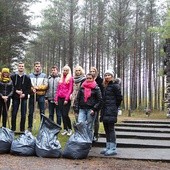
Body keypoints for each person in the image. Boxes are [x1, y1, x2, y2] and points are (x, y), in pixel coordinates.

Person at [100, 70, 122, 156]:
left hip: (111, 109)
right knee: (106, 128)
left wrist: (115, 107)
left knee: (111, 129)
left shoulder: (115, 86)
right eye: (106, 75)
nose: (107, 76)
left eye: (109, 75)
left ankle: (113, 148)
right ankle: (108, 146)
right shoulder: (105, 86)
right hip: (105, 110)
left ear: (112, 76)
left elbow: (119, 98)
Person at [74, 73, 102, 140]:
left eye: (90, 78)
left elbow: (100, 100)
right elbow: (78, 98)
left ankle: (89, 141)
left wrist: (94, 109)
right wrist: (76, 109)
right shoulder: (82, 87)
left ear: (93, 79)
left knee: (89, 126)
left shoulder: (96, 88)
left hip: (91, 109)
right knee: (80, 124)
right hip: (82, 109)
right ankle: (81, 140)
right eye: (87, 78)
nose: (88, 80)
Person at [10, 62, 31, 132]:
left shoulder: (27, 77)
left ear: (24, 67)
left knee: (23, 114)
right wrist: (16, 91)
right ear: (18, 67)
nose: (21, 67)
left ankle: (22, 130)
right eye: (20, 66)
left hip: (24, 98)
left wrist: (24, 94)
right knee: (14, 113)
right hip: (15, 98)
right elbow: (11, 86)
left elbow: (29, 88)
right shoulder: (13, 77)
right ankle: (13, 129)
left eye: (22, 66)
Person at [28, 61, 48, 132]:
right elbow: (28, 85)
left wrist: (37, 87)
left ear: (40, 67)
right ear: (34, 67)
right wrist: (32, 88)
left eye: (39, 66)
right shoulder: (30, 75)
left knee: (42, 112)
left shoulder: (44, 75)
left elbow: (46, 85)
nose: (37, 67)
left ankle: (43, 127)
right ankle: (30, 127)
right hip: (32, 95)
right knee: (30, 112)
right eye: (36, 66)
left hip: (41, 95)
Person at [54, 65, 73, 136]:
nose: (65, 72)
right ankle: (65, 129)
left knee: (65, 114)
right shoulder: (61, 79)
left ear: (69, 71)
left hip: (66, 99)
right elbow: (58, 89)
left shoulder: (70, 79)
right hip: (59, 98)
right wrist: (56, 99)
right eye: (64, 70)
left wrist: (66, 99)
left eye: (66, 70)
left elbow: (70, 89)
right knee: (62, 114)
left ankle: (70, 129)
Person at [90, 67, 103, 141]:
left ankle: (95, 134)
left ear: (96, 72)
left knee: (95, 120)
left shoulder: (100, 80)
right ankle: (90, 135)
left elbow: (101, 92)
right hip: (89, 103)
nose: (92, 72)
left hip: (97, 103)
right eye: (91, 71)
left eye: (93, 71)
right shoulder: (88, 79)